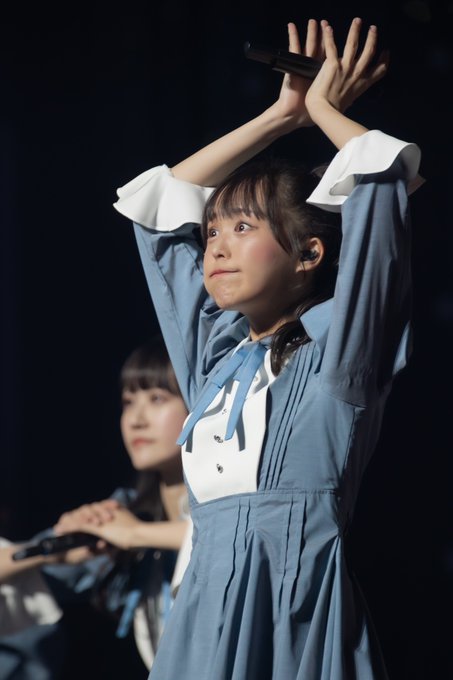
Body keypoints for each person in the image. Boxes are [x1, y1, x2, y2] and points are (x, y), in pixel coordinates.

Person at [113, 16, 422, 680]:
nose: (216, 247)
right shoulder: (213, 362)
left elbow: (379, 191)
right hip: (200, 617)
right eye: (213, 231)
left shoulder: (339, 352)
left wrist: (325, 111)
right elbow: (160, 214)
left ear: (309, 254)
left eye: (243, 227)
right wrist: (280, 117)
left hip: (290, 611)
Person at [0, 336, 190, 679]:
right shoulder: (126, 510)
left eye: (157, 398)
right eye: (128, 402)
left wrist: (137, 534)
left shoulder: (233, 503)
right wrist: (51, 552)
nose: (136, 419)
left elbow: (242, 537)